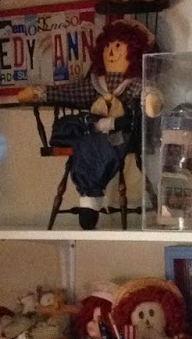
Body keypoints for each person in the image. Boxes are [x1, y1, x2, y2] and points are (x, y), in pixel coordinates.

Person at [15, 18, 154, 229]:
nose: (111, 51)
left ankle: (90, 199)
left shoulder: (133, 84)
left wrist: (151, 99)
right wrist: (40, 93)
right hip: (93, 131)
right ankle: (89, 198)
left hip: (124, 134)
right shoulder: (96, 84)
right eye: (108, 46)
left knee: (99, 144)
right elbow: (69, 92)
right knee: (84, 139)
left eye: (118, 46)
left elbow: (145, 92)